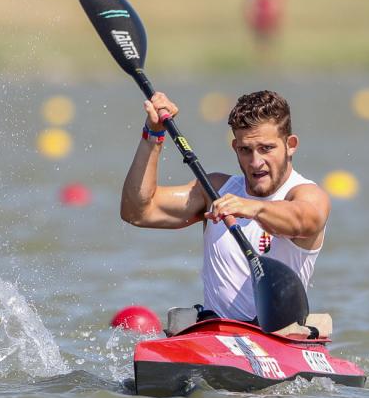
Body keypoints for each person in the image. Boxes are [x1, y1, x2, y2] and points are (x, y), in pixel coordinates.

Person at [120, 90, 330, 323]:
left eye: (266, 148)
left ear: (290, 145)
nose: (255, 162)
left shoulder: (307, 194)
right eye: (245, 150)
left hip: (277, 337)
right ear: (235, 147)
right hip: (216, 334)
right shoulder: (216, 190)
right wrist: (153, 134)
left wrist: (254, 208)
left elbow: (302, 220)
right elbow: (137, 212)